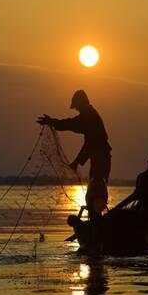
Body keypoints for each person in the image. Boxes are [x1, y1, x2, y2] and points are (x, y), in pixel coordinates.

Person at [37, 90, 111, 220]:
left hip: (101, 160)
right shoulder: (89, 115)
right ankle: (96, 220)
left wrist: (52, 122)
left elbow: (72, 126)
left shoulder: (89, 116)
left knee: (95, 192)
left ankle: (96, 222)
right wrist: (77, 161)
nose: (77, 110)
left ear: (82, 104)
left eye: (77, 107)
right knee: (95, 193)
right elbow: (87, 142)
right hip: (100, 159)